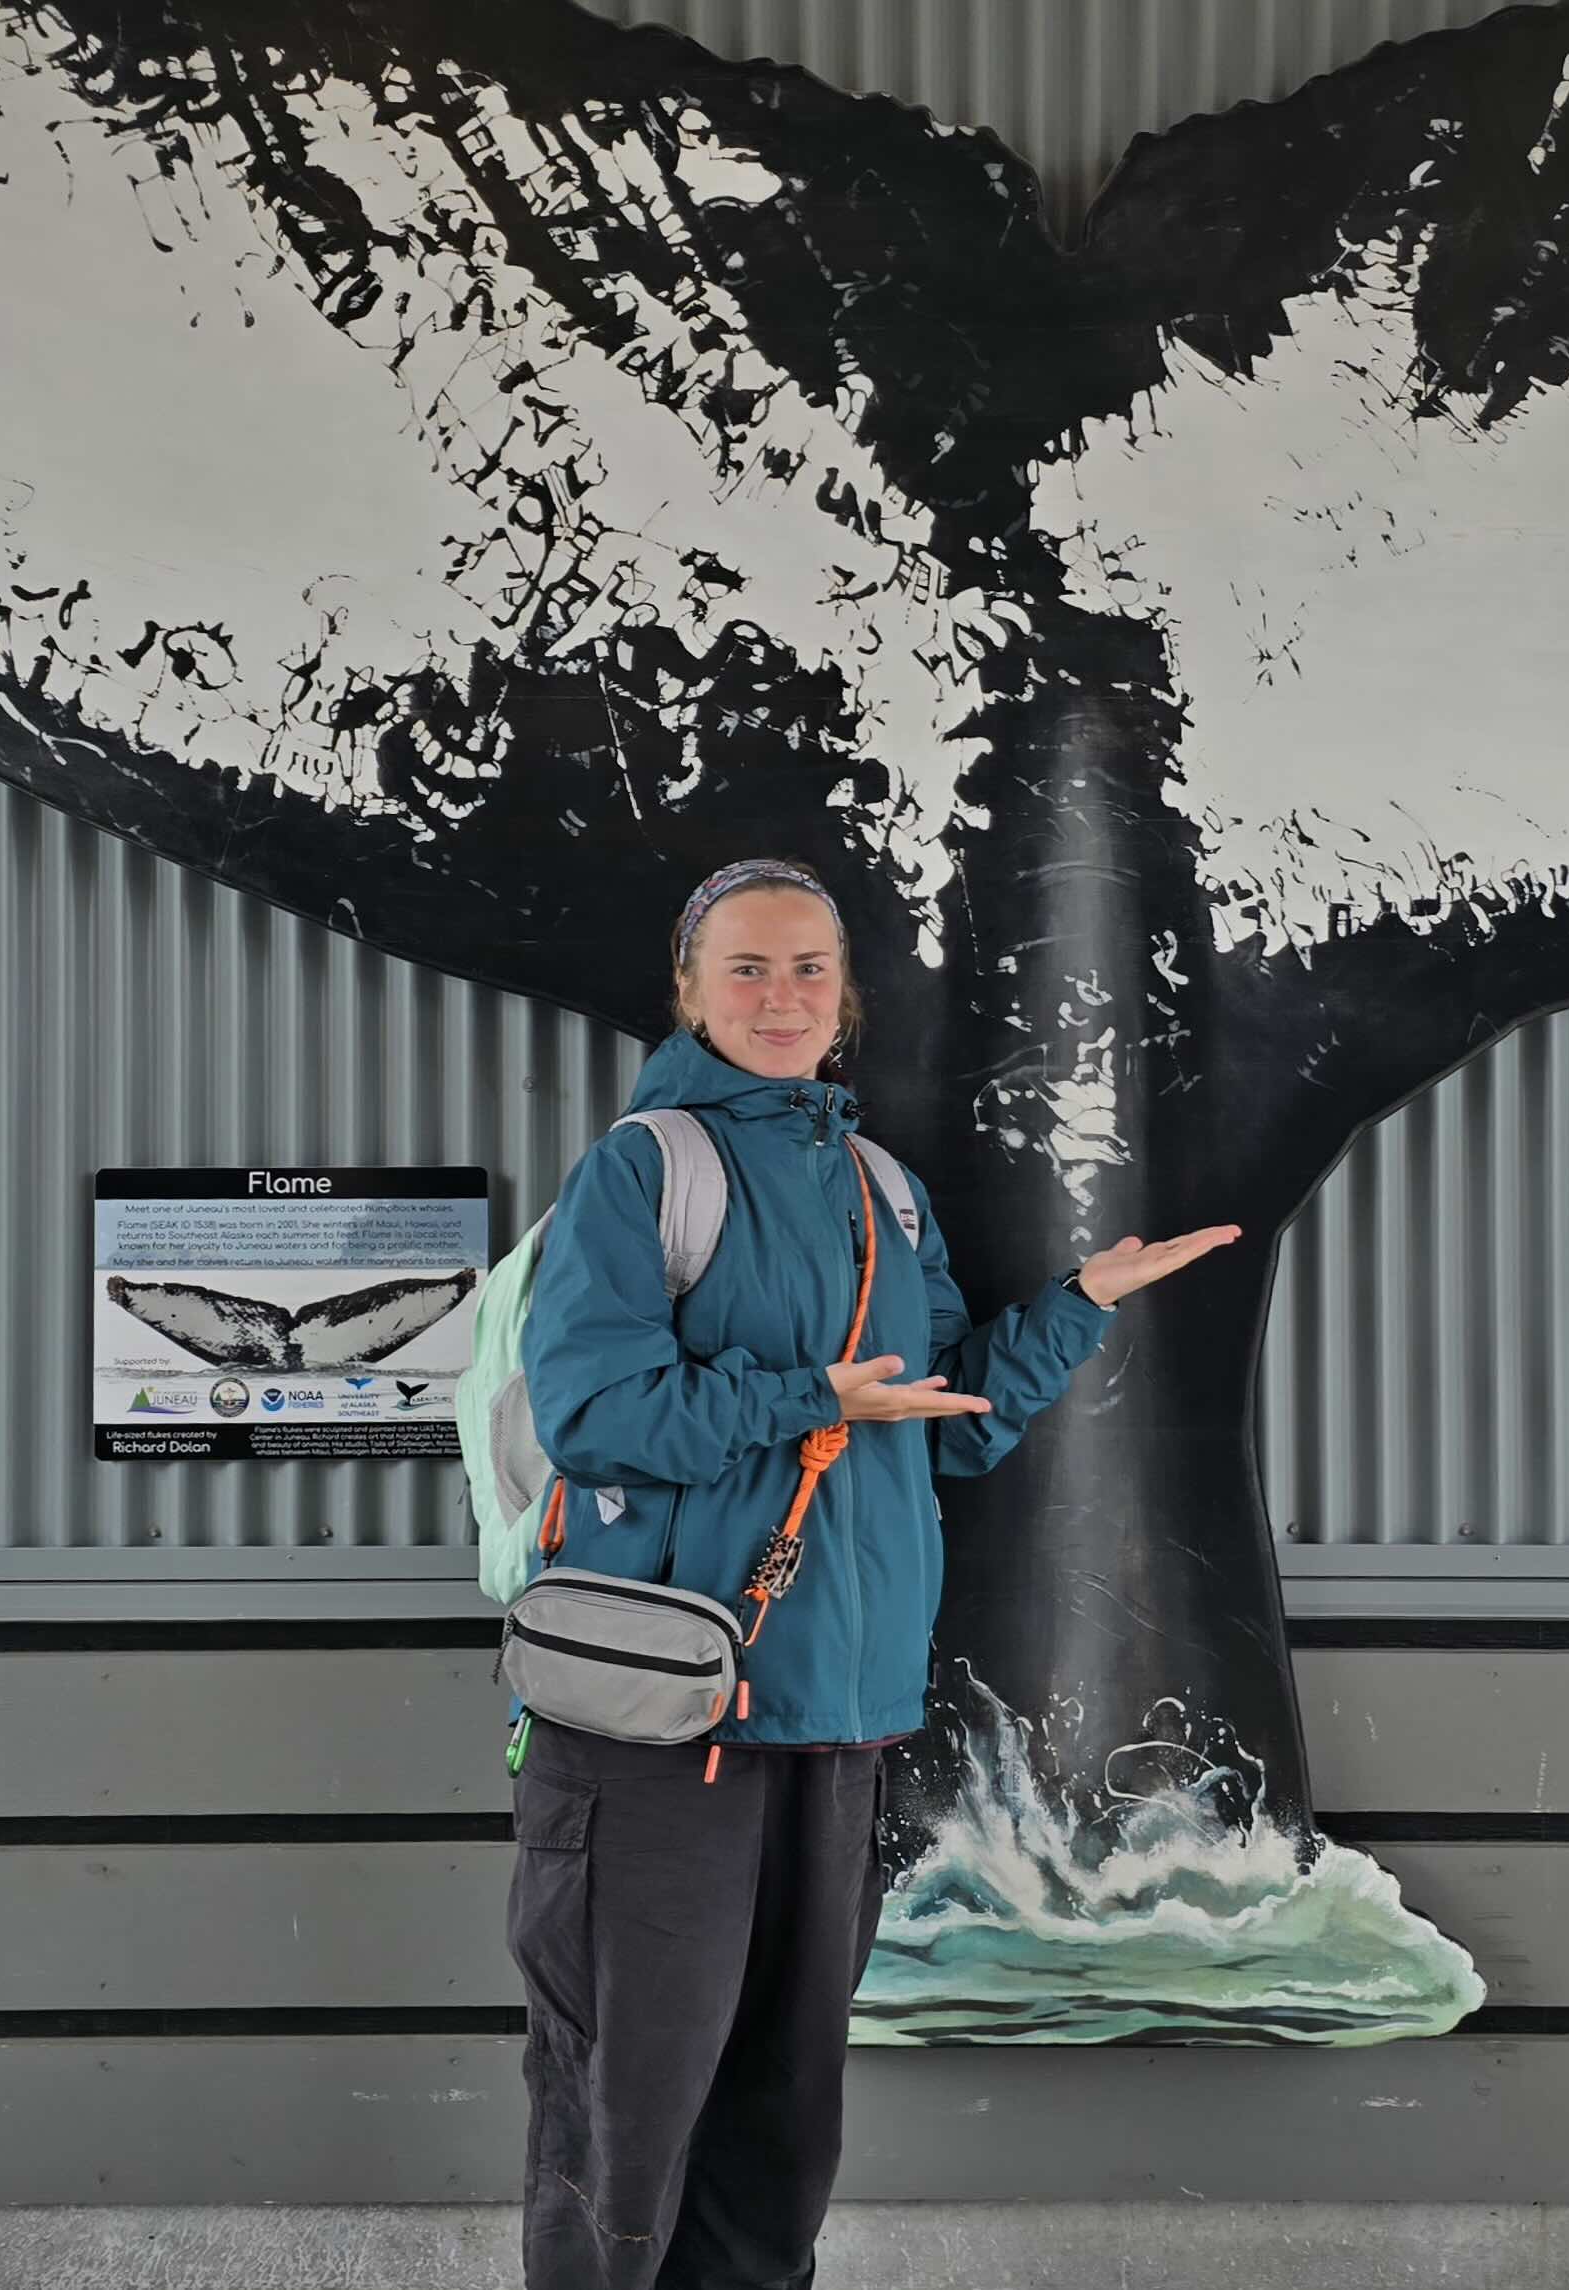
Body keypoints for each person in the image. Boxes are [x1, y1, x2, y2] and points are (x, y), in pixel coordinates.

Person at [505, 856, 1238, 2289]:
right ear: (687, 989)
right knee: (626, 2113)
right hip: (668, 1728)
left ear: (844, 998)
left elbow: (937, 1422)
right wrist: (808, 1398)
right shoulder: (649, 1167)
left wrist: (1076, 1307)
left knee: (781, 2131)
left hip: (837, 1722)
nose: (779, 997)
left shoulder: (880, 1186)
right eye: (746, 968)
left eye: (807, 970)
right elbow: (596, 1409)